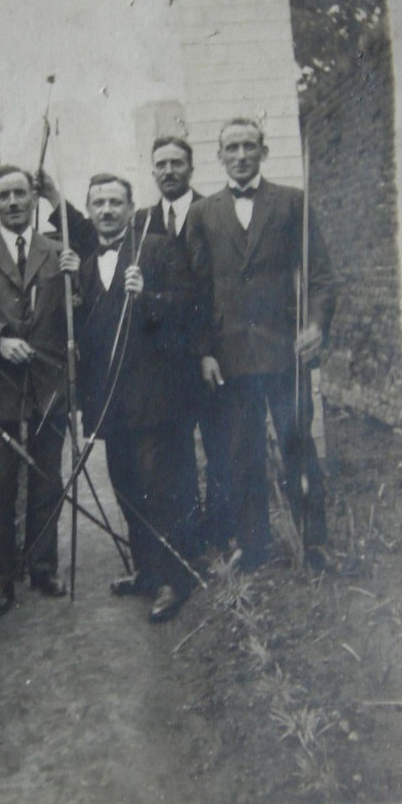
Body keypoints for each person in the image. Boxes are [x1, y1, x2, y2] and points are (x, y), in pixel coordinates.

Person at [186, 118, 337, 572]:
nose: (241, 155)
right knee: (241, 454)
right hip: (230, 357)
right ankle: (253, 550)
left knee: (297, 445)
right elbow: (197, 292)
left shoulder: (292, 203)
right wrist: (205, 352)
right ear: (219, 156)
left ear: (263, 152)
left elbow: (322, 277)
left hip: (284, 351)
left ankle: (315, 544)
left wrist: (315, 325)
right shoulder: (203, 213)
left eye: (249, 146)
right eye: (231, 147)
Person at [76, 173, 199, 622]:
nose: (106, 210)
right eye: (98, 203)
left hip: (154, 396)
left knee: (158, 486)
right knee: (126, 486)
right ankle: (146, 571)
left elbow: (187, 306)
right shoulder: (87, 266)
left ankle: (174, 578)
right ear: (88, 212)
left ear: (131, 209)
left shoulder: (159, 248)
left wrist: (147, 297)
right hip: (109, 400)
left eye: (115, 202)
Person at [0, 164, 79, 618]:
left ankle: (44, 567)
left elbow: (77, 309)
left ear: (33, 200)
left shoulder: (59, 251)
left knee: (48, 477)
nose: (13, 203)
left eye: (20, 195)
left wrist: (77, 276)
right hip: (0, 388)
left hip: (48, 383)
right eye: (3, 196)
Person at [137, 136, 232, 552]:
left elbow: (216, 289)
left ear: (192, 168)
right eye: (162, 164)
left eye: (177, 162)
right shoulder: (140, 222)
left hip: (208, 354)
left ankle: (222, 532)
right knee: (175, 456)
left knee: (218, 446)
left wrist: (207, 349)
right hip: (163, 364)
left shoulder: (213, 212)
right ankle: (189, 537)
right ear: (152, 171)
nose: (169, 170)